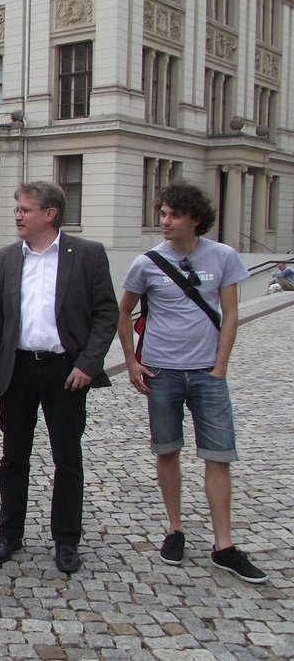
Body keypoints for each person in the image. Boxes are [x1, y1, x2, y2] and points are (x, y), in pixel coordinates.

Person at [117, 182, 266, 583]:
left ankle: (224, 544)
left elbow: (230, 313)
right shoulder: (147, 262)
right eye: (163, 213)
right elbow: (124, 312)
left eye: (174, 215)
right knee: (167, 450)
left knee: (219, 455)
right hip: (162, 371)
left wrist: (220, 366)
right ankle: (175, 528)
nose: (165, 221)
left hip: (206, 373)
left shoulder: (222, 256)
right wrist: (132, 362)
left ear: (195, 220)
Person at [0, 182, 118, 574]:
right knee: (13, 457)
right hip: (19, 368)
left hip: (66, 371)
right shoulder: (8, 257)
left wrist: (88, 364)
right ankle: (9, 534)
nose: (17, 216)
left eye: (25, 209)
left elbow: (106, 313)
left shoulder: (87, 254)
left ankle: (66, 540)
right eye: (17, 209)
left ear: (50, 214)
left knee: (67, 458)